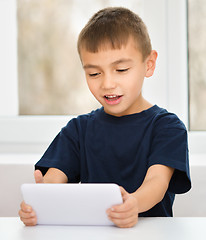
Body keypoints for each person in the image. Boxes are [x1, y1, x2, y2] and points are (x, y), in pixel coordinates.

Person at [19, 7, 191, 228]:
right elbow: (54, 178)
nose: (107, 83)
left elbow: (157, 182)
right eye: (94, 73)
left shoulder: (168, 127)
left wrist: (133, 204)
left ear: (149, 64)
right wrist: (40, 202)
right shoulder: (78, 130)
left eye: (121, 69)